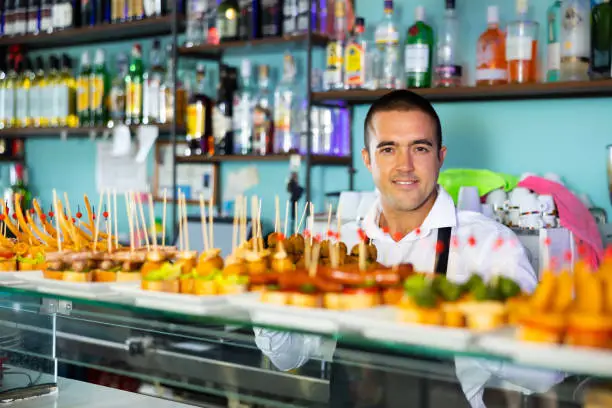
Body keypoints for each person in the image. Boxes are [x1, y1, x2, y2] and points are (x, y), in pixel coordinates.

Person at [254, 90, 564, 407]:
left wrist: (472, 326)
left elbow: (546, 373)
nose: (405, 165)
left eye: (420, 148)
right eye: (388, 149)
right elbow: (287, 356)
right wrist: (269, 292)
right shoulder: (339, 245)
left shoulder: (489, 245)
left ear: (440, 156)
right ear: (367, 159)